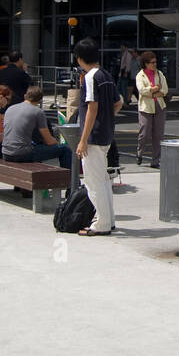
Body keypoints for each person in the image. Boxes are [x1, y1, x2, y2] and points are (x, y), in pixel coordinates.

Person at [73, 39, 118, 235]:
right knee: (104, 179)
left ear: (80, 58)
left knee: (94, 181)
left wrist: (83, 139)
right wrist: (106, 118)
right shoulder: (106, 75)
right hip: (106, 133)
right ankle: (109, 220)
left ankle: (102, 224)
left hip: (93, 136)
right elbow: (118, 102)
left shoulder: (89, 77)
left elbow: (92, 107)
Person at [2, 86, 72, 168]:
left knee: (37, 148)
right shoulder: (38, 112)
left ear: (25, 96)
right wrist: (57, 143)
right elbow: (48, 140)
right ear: (40, 100)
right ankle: (69, 179)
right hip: (22, 154)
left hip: (6, 153)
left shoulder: (10, 108)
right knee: (65, 149)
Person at [136, 51, 168, 167]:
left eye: (156, 62)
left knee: (158, 135)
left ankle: (155, 161)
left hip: (159, 105)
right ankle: (139, 152)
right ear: (146, 64)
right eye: (152, 62)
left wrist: (152, 92)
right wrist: (154, 89)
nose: (155, 64)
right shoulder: (140, 75)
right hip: (145, 107)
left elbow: (164, 90)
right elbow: (141, 90)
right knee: (144, 133)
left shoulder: (159, 74)